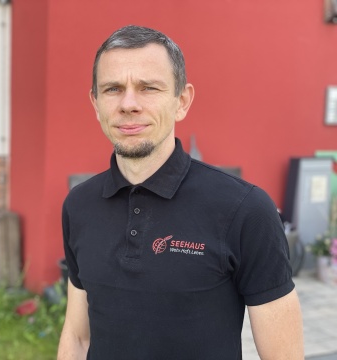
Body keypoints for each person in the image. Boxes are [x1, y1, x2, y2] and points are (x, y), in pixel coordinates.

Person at [58, 25, 304, 360]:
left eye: (149, 88)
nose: (128, 104)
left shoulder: (244, 210)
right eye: (113, 89)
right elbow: (77, 337)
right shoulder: (79, 205)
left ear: (182, 101)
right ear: (95, 103)